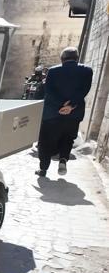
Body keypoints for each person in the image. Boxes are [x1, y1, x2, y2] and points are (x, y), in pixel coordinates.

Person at [35, 47, 93, 177]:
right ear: (77, 58)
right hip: (74, 113)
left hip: (52, 113)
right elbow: (84, 90)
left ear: (62, 59)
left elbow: (49, 90)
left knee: (46, 140)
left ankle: (43, 169)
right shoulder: (87, 71)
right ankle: (63, 159)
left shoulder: (53, 71)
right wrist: (71, 105)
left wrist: (61, 106)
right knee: (68, 138)